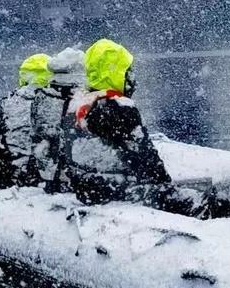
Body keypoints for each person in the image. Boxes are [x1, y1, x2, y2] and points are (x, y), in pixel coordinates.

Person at [66, 38, 205, 215]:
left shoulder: (78, 104)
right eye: (128, 72)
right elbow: (147, 161)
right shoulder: (119, 109)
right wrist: (168, 190)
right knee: (203, 204)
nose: (132, 78)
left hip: (89, 188)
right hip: (121, 193)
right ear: (114, 73)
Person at [0, 53, 51, 188]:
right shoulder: (60, 104)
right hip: (48, 179)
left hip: (11, 177)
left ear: (23, 76)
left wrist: (1, 159)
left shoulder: (6, 103)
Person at [29, 46, 86, 193]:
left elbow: (38, 133)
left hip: (47, 174)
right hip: (75, 177)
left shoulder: (41, 97)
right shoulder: (82, 98)